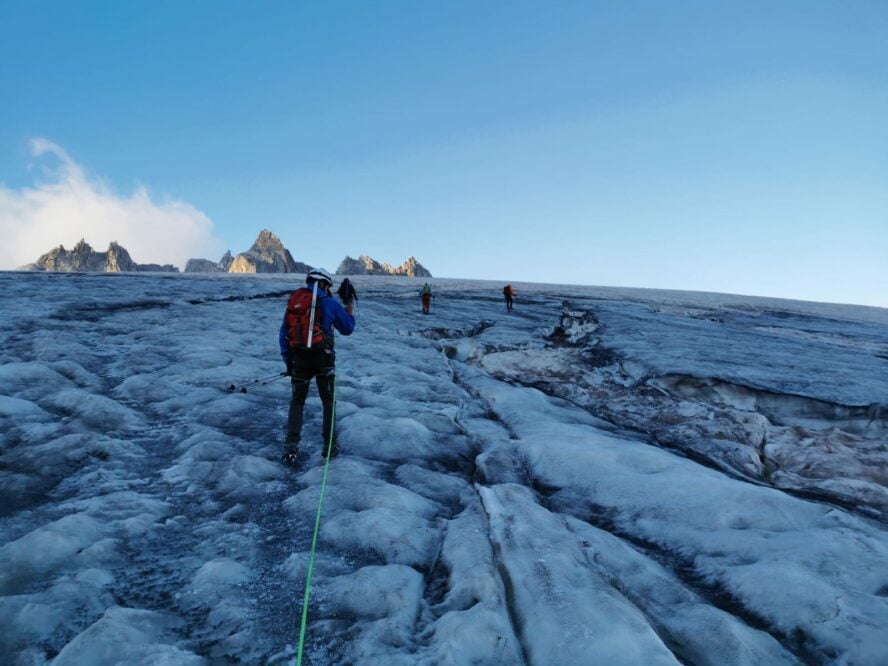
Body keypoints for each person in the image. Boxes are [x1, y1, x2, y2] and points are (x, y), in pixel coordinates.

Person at [279, 268, 355, 465]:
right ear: (324, 284)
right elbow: (347, 328)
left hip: (299, 359)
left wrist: (289, 363)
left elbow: (283, 334)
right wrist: (349, 306)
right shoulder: (328, 303)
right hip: (324, 359)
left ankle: (290, 447)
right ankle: (329, 447)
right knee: (328, 401)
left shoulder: (295, 302)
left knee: (297, 400)